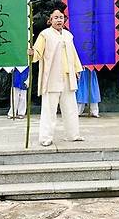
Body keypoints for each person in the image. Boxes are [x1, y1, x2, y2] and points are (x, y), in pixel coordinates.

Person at [28, 9, 84, 147]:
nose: (59, 20)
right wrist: (32, 53)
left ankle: (73, 135)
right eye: (56, 18)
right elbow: (37, 53)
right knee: (49, 109)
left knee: (70, 107)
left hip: (67, 76)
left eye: (61, 17)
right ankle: (45, 137)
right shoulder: (45, 35)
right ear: (50, 20)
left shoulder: (68, 35)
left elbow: (74, 54)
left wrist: (77, 69)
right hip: (52, 77)